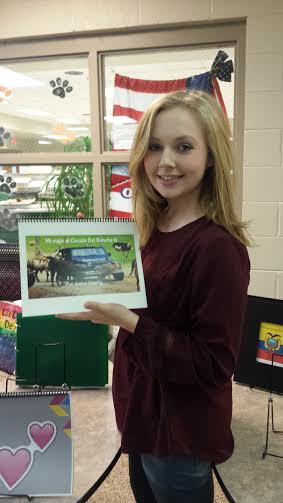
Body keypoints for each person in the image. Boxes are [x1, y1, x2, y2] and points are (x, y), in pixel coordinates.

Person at [57, 90, 250, 503]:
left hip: (179, 430)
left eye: (183, 147)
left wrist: (126, 322)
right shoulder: (151, 229)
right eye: (155, 146)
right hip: (141, 412)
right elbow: (148, 310)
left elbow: (214, 364)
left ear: (211, 155)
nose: (165, 161)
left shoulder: (217, 248)